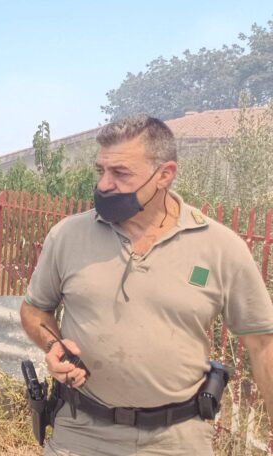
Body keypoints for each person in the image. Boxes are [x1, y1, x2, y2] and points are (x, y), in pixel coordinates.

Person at [20, 115, 273, 455]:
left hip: (177, 440)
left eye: (120, 173)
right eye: (101, 171)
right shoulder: (67, 236)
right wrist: (53, 344)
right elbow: (35, 311)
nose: (104, 185)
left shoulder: (220, 247)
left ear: (164, 175)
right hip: (81, 432)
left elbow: (261, 344)